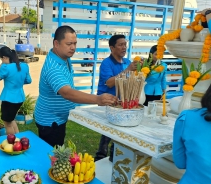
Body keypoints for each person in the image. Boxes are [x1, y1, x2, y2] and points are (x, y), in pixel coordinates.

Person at [34, 25, 118, 147]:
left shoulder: (64, 58)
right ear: (56, 43)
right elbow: (67, 92)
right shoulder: (53, 67)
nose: (73, 47)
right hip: (50, 122)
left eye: (75, 43)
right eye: (69, 44)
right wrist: (98, 99)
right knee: (51, 157)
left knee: (57, 151)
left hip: (58, 118)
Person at [94, 34, 138, 162]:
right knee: (108, 131)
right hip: (108, 101)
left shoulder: (127, 62)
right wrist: (128, 70)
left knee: (120, 129)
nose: (124, 47)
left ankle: (114, 155)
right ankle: (100, 156)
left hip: (123, 102)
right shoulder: (106, 63)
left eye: (125, 44)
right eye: (120, 45)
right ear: (112, 48)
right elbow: (109, 82)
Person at [0, 46, 32, 135]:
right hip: (20, 98)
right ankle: (17, 137)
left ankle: (12, 143)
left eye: (1, 59)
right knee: (11, 119)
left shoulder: (6, 67)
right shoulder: (24, 66)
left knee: (7, 124)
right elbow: (28, 80)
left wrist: (0, 67)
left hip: (9, 99)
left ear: (4, 57)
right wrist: (18, 82)